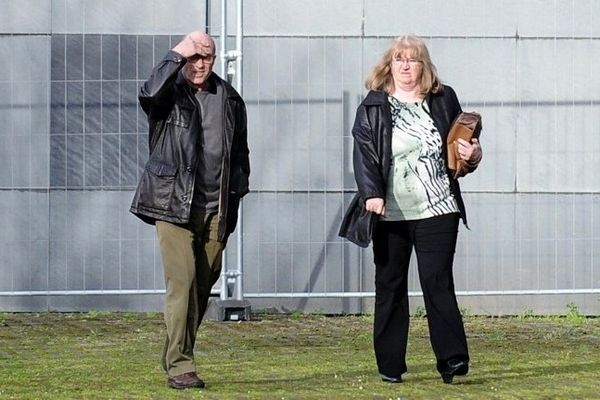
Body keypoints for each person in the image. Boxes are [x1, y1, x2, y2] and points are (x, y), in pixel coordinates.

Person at [340, 35, 482, 384]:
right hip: (390, 212)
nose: (406, 66)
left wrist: (473, 155)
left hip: (439, 207)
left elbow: (462, 148)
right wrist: (372, 194)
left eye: (413, 60)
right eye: (399, 59)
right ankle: (390, 364)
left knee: (437, 281)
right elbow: (364, 155)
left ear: (425, 65)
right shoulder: (373, 106)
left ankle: (452, 360)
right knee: (390, 284)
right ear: (388, 65)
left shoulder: (443, 98)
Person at [130, 31, 250, 390]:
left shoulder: (229, 98)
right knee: (181, 283)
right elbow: (148, 92)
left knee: (200, 288)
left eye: (206, 57)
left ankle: (173, 353)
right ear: (183, 58)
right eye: (193, 57)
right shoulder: (169, 94)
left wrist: (237, 194)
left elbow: (240, 152)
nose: (200, 64)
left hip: (218, 207)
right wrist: (177, 51)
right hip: (174, 206)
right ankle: (181, 366)